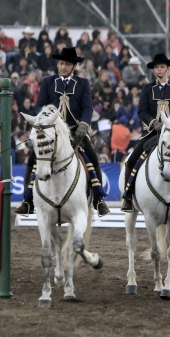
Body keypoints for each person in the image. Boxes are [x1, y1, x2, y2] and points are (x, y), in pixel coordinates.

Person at [14, 47, 110, 217]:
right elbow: (39, 105)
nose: (63, 67)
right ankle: (27, 201)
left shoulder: (82, 84)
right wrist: (45, 115)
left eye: (66, 64)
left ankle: (99, 199)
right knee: (32, 160)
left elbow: (87, 107)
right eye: (60, 63)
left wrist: (84, 125)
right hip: (53, 131)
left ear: (73, 66)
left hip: (75, 131)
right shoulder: (48, 82)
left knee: (93, 159)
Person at [120, 53, 170, 212]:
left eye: (162, 67)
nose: (159, 70)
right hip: (152, 132)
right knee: (131, 161)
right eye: (157, 67)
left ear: (167, 69)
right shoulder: (147, 88)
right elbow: (141, 111)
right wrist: (153, 122)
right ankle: (128, 196)